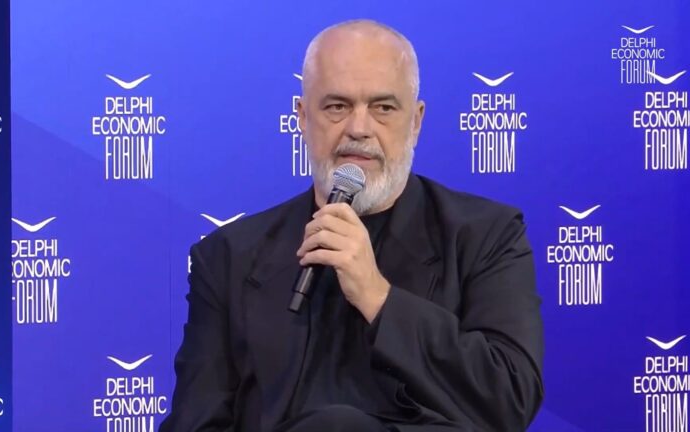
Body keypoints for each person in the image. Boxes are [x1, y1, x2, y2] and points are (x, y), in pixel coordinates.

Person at [160, 19, 544, 432]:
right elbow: (195, 423)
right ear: (302, 117)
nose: (359, 129)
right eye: (337, 107)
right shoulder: (228, 257)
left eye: (383, 108)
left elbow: (510, 398)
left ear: (416, 121)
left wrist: (378, 297)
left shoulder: (487, 235)